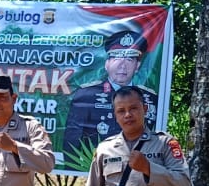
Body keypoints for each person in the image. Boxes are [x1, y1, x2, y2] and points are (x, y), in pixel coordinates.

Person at [62, 28, 160, 158]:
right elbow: (71, 143)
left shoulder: (150, 99)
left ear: (137, 66)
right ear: (107, 64)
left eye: (129, 59)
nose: (122, 66)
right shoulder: (86, 95)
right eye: (117, 59)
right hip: (97, 166)